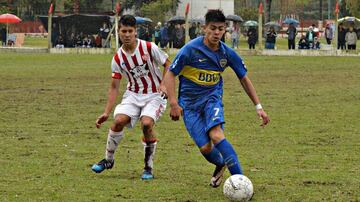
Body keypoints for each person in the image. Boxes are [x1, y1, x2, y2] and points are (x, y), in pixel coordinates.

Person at [161, 9, 270, 188]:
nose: (217, 32)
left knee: (217, 135)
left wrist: (258, 106)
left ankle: (241, 183)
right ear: (205, 28)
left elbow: (244, 78)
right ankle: (220, 163)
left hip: (212, 99)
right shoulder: (190, 50)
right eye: (213, 28)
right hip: (189, 105)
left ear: (225, 30)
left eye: (221, 29)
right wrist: (173, 103)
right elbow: (170, 74)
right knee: (205, 148)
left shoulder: (226, 53)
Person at [91, 15, 171, 180]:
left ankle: (148, 168)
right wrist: (106, 112)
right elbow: (114, 86)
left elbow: (168, 64)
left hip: (155, 94)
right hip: (133, 94)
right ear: (118, 32)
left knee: (146, 124)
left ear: (136, 32)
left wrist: (164, 84)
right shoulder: (118, 58)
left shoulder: (149, 47)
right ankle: (108, 160)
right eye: (123, 31)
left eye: (130, 31)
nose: (127, 35)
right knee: (118, 120)